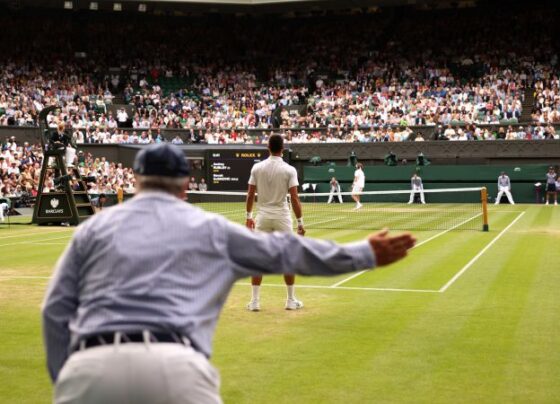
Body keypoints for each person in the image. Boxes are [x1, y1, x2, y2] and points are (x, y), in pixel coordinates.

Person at [42, 143, 416, 404]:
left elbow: (55, 311)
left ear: (137, 180)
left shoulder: (92, 229)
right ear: (187, 184)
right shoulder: (210, 229)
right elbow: (287, 251)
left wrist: (70, 377)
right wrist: (363, 254)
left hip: (88, 371)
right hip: (175, 368)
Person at [245, 134, 305, 311]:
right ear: (283, 148)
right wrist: (300, 222)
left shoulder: (257, 168)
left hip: (262, 218)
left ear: (268, 148)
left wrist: (248, 217)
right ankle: (290, 300)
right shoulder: (289, 170)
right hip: (282, 218)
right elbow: (294, 198)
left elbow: (250, 195)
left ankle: (255, 302)